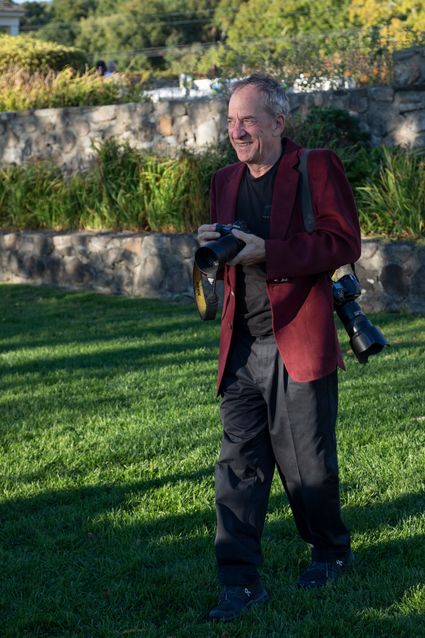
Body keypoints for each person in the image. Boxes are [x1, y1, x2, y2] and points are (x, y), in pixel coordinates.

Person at [197, 74, 361, 622]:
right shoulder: (223, 179)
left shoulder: (315, 167)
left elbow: (343, 243)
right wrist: (211, 252)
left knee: (307, 465)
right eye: (229, 122)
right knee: (237, 467)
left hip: (297, 336)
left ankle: (331, 551)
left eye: (247, 120)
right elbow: (231, 252)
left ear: (278, 123)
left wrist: (268, 251)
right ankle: (239, 582)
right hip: (241, 343)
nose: (236, 131)